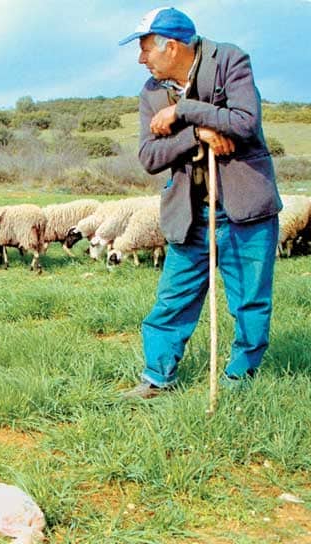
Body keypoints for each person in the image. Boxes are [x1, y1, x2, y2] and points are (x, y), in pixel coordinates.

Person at [119, 7, 282, 398]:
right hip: (190, 213)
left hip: (245, 208)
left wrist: (185, 111)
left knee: (249, 301)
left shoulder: (229, 60)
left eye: (145, 49)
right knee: (173, 300)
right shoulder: (151, 92)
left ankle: (241, 378)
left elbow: (244, 122)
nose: (141, 59)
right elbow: (149, 157)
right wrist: (198, 135)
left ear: (170, 46)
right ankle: (157, 377)